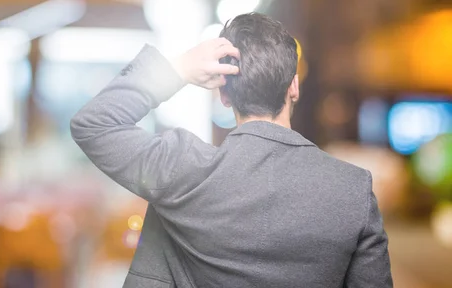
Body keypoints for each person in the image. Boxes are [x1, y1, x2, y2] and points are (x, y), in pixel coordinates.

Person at [71, 13, 392, 288]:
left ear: (224, 94)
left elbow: (94, 123)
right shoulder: (353, 190)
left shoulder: (183, 171)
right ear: (293, 86)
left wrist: (179, 68)